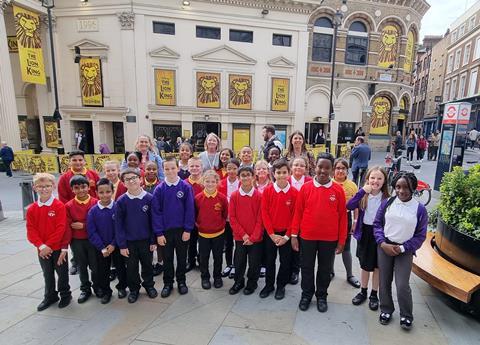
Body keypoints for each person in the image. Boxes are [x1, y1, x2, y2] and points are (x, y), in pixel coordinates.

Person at [291, 153, 347, 313]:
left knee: (325, 269)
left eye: (327, 167)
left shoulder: (338, 190)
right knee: (306, 267)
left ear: (332, 170)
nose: (323, 170)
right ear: (315, 167)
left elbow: (343, 217)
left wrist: (342, 240)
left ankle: (321, 295)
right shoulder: (306, 188)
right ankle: (306, 295)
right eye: (320, 167)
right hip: (307, 237)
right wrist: (294, 235)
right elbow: (298, 212)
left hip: (329, 239)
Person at [374, 172, 428, 330]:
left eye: (405, 187)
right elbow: (377, 224)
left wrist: (403, 247)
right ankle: (386, 309)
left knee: (402, 284)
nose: (401, 191)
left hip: (405, 250)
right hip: (385, 247)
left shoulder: (419, 209)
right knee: (384, 281)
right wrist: (382, 243)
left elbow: (420, 235)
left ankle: (406, 314)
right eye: (398, 187)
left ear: (413, 188)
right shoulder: (387, 203)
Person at [27, 173, 71, 311]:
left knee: (62, 273)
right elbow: (31, 230)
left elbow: (61, 228)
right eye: (40, 186)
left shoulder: (59, 206)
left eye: (47, 186)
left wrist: (49, 246)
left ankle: (65, 295)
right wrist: (41, 246)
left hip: (57, 248)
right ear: (35, 188)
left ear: (53, 187)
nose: (44, 189)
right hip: (42, 249)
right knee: (47, 273)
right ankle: (50, 295)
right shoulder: (32, 209)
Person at [152, 157, 195, 298]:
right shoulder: (159, 189)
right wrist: (159, 233)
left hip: (182, 231)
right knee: (168, 258)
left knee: (182, 258)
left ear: (178, 168)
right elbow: (156, 213)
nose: (170, 171)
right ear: (162, 170)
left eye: (172, 168)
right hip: (165, 232)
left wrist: (188, 229)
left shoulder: (185, 187)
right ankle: (168, 283)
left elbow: (190, 210)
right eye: (166, 169)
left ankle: (181, 281)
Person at [348, 166, 389, 311]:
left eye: (379, 178)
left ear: (384, 181)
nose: (375, 181)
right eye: (372, 178)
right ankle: (363, 291)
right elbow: (350, 205)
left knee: (377, 266)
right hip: (365, 233)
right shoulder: (364, 196)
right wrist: (361, 191)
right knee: (365, 265)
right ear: (367, 179)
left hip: (379, 236)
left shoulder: (387, 199)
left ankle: (374, 294)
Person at [115, 168, 158, 303]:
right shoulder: (121, 201)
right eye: (127, 179)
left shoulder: (149, 198)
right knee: (132, 268)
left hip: (146, 241)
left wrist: (153, 241)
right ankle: (134, 289)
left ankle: (149, 285)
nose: (131, 181)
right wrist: (122, 245)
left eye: (134, 177)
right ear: (123, 183)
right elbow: (118, 225)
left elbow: (153, 222)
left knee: (148, 265)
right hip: (129, 243)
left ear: (140, 179)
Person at [260, 159, 297, 300]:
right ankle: (269, 285)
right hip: (271, 234)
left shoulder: (294, 193)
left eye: (284, 172)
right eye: (278, 172)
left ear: (289, 173)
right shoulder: (268, 191)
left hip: (285, 235)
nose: (281, 175)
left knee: (285, 261)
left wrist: (287, 236)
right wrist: (271, 234)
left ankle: (281, 286)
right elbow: (265, 213)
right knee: (269, 260)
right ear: (273, 174)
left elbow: (295, 216)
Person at [87, 178, 127, 304]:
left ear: (112, 191)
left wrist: (113, 244)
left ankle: (122, 287)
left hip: (116, 245)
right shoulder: (93, 211)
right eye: (101, 192)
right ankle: (106, 291)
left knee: (120, 268)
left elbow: (121, 228)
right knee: (102, 271)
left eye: (108, 192)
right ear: (97, 193)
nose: (105, 195)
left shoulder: (117, 207)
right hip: (101, 248)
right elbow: (92, 232)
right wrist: (102, 247)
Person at [228, 166, 263, 295]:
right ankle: (238, 281)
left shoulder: (259, 196)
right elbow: (232, 217)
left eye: (248, 175)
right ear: (238, 178)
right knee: (239, 261)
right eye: (243, 175)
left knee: (254, 263)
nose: (246, 177)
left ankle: (252, 283)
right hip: (240, 237)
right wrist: (243, 235)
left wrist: (253, 237)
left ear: (253, 177)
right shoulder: (234, 196)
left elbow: (261, 219)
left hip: (256, 238)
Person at [65, 175, 99, 304]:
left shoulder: (95, 202)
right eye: (77, 188)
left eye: (83, 187)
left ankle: (97, 286)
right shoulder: (68, 206)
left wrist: (83, 225)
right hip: (77, 241)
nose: (81, 190)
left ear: (88, 187)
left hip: (93, 240)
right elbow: (69, 224)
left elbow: (99, 222)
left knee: (95, 266)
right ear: (72, 190)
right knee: (82, 266)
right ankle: (85, 289)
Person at [195, 170, 229, 290]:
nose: (210, 184)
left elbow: (225, 214)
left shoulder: (222, 198)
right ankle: (205, 277)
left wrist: (220, 224)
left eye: (213, 182)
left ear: (217, 183)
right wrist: (200, 225)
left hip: (218, 234)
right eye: (207, 181)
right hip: (203, 234)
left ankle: (217, 277)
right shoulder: (198, 198)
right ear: (203, 182)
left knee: (218, 257)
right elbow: (195, 214)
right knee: (203, 258)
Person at [332, 159, 360, 288]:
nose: (340, 170)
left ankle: (349, 275)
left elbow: (356, 206)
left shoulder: (352, 186)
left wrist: (355, 222)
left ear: (347, 170)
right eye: (338, 168)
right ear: (333, 170)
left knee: (346, 247)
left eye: (343, 168)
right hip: (331, 219)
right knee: (330, 247)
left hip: (347, 218)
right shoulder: (329, 183)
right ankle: (330, 272)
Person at [288, 157, 312, 285]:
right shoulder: (286, 180)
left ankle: (295, 271)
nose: (298, 167)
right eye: (296, 165)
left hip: (304, 219)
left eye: (302, 165)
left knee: (299, 247)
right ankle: (288, 269)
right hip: (288, 218)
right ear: (291, 167)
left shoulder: (310, 181)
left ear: (306, 168)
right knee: (289, 248)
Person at [218, 158, 240, 279]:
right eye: (229, 168)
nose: (231, 171)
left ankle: (236, 265)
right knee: (228, 243)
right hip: (225, 219)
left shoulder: (242, 183)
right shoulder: (220, 183)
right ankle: (229, 264)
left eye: (234, 168)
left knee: (238, 242)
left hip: (238, 219)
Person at [185, 157, 204, 272]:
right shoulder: (184, 184)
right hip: (189, 219)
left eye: (197, 166)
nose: (194, 168)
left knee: (202, 243)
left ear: (201, 168)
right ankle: (190, 260)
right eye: (192, 166)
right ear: (188, 168)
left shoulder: (205, 183)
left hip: (202, 219)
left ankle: (202, 260)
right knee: (190, 242)